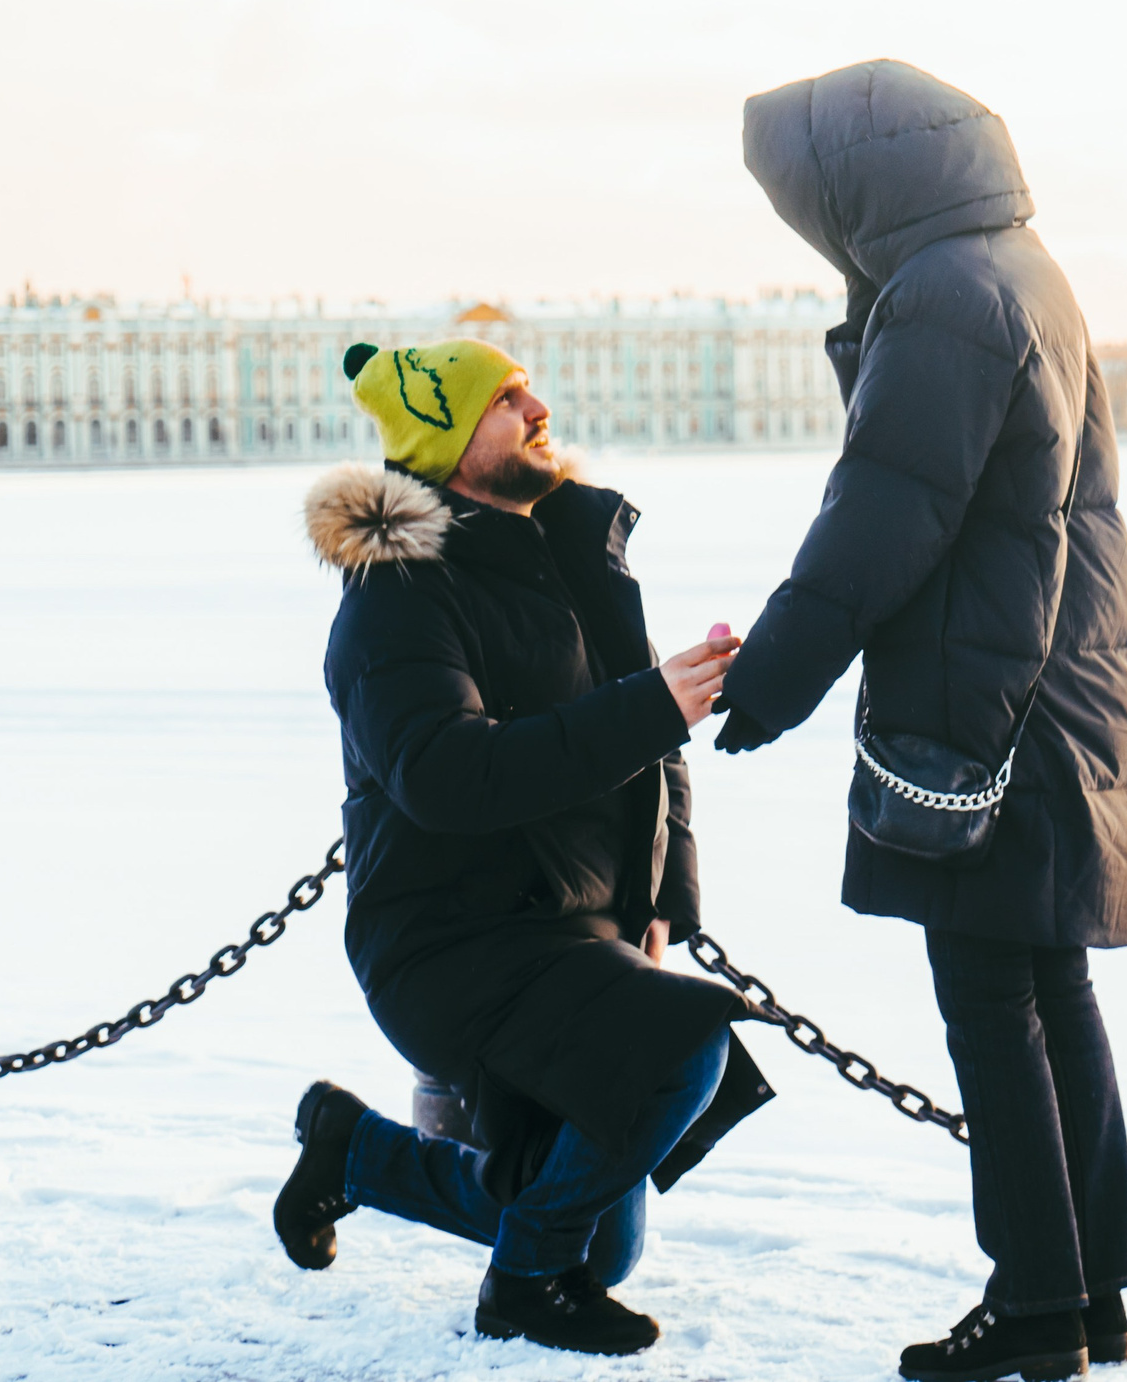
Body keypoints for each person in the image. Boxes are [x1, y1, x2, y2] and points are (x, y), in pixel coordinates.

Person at [714, 60, 1127, 1382]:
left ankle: (1035, 1310)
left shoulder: (946, 297)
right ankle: (1089, 1294)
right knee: (1047, 988)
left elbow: (886, 512)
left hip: (987, 702)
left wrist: (772, 676)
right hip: (1060, 684)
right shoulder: (1017, 269)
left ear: (853, 186)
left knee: (991, 1006)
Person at [275, 335, 772, 1357]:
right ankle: (526, 1282)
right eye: (505, 399)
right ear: (449, 440)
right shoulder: (396, 596)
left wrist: (660, 907)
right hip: (453, 942)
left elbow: (656, 758)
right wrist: (651, 706)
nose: (538, 408)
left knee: (607, 1247)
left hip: (576, 932)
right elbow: (446, 775)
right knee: (687, 1044)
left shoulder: (571, 557)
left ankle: (352, 1151)